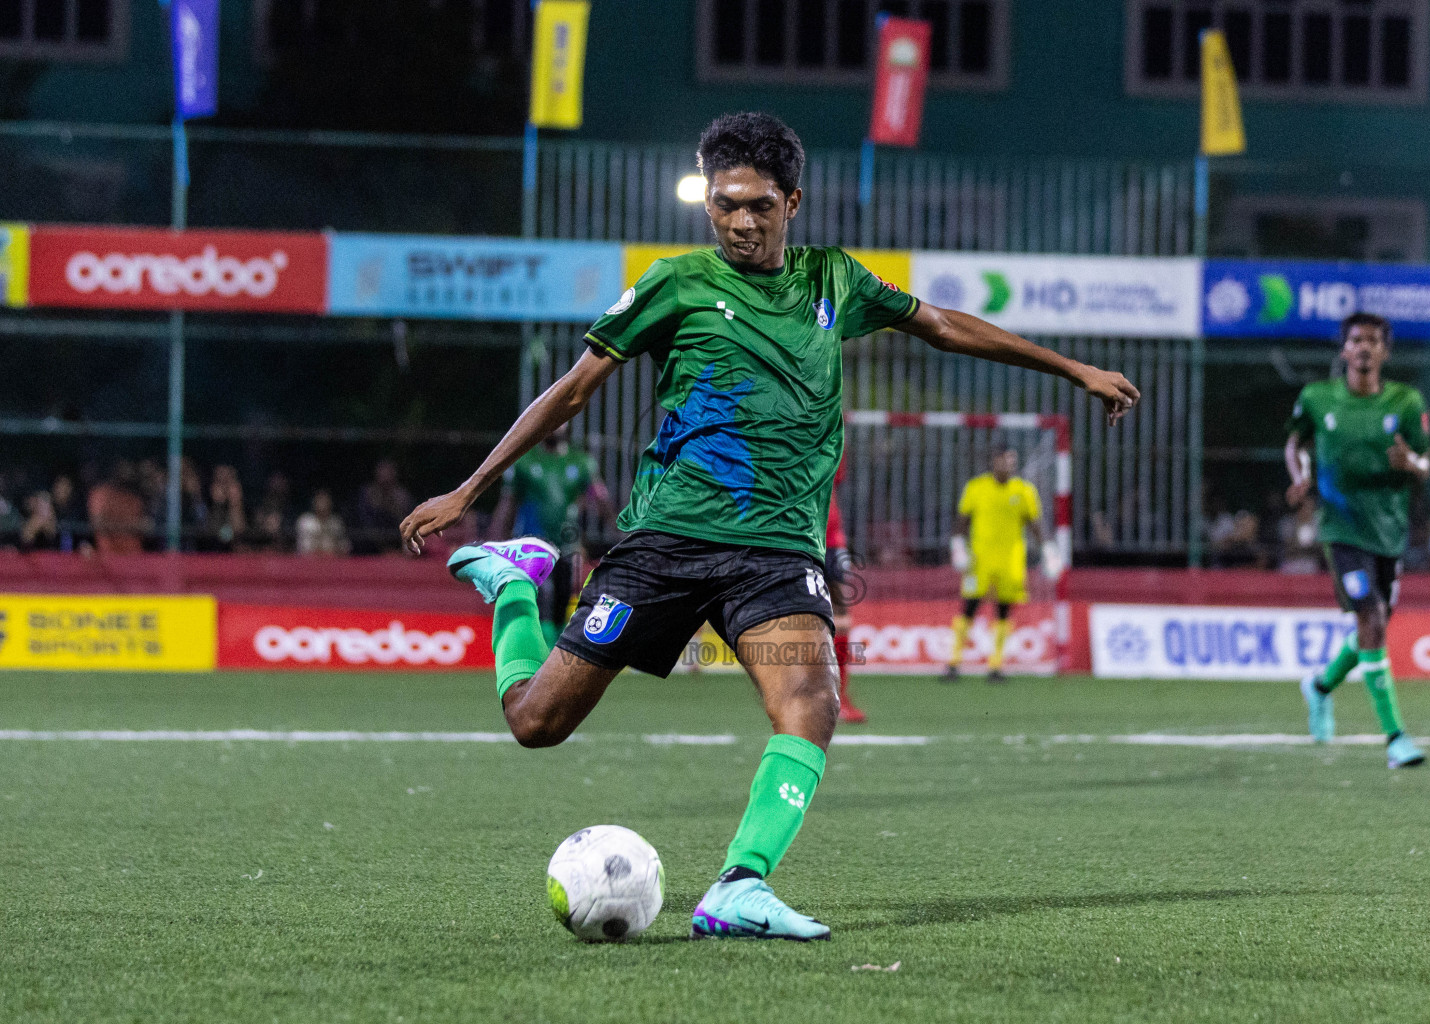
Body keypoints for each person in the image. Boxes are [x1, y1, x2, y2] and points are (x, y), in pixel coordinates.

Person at [399, 112, 1138, 941]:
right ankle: (512, 584)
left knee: (811, 704)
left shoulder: (835, 280)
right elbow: (572, 391)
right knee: (536, 724)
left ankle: (739, 886)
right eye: (724, 205)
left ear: (793, 201)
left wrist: (1073, 370)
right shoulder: (672, 283)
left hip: (779, 551)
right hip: (666, 543)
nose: (739, 222)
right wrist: (469, 489)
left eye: (757, 206)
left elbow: (942, 325)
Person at [1289, 312, 1429, 769]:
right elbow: (1295, 445)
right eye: (1356, 340)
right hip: (1341, 527)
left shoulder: (1407, 402)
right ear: (1344, 349)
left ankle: (1321, 686)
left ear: (1385, 351)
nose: (1364, 347)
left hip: (1388, 529)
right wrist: (1301, 476)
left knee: (1375, 625)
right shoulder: (1316, 398)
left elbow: (1426, 466)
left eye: (1373, 341)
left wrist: (1410, 462)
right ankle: (1395, 738)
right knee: (1369, 615)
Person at [944, 446, 1061, 682]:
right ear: (994, 460)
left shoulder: (1024, 490)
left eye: (1013, 460)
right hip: (979, 560)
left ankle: (995, 665)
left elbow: (1035, 524)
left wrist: (1048, 550)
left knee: (1004, 610)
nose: (1009, 464)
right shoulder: (977, 487)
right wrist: (957, 546)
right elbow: (962, 521)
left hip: (1011, 561)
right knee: (970, 607)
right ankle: (954, 662)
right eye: (1005, 459)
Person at [491, 425, 614, 642]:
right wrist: (497, 541)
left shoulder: (581, 461)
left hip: (568, 544)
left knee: (563, 599)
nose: (555, 426)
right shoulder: (524, 462)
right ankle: (538, 648)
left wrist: (619, 529)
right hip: (531, 545)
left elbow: (600, 498)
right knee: (539, 598)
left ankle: (555, 648)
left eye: (562, 420)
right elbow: (508, 504)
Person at [823, 462, 865, 723]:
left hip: (831, 542)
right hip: (798, 539)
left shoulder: (828, 435)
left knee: (842, 619)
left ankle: (839, 696)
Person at [86, 461, 149, 555]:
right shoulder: (100, 494)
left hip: (134, 556)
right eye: (122, 467)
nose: (127, 471)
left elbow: (145, 526)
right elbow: (98, 523)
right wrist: (131, 526)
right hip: (107, 555)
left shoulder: (135, 499)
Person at [359, 459, 415, 553]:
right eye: (382, 472)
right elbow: (364, 523)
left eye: (388, 472)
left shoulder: (402, 497)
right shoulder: (367, 494)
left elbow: (409, 524)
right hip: (371, 546)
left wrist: (394, 507)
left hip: (398, 543)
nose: (385, 477)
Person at [296, 489, 351, 556]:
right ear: (314, 503)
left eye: (325, 501)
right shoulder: (306, 521)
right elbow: (302, 546)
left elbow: (345, 545)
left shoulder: (336, 522)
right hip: (310, 560)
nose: (323, 504)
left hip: (333, 559)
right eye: (320, 500)